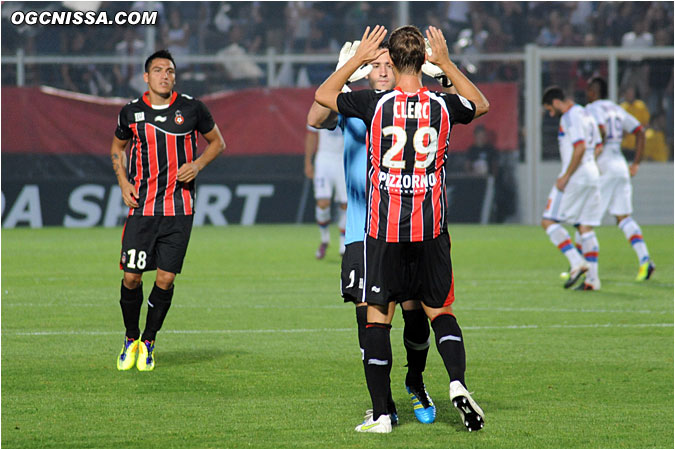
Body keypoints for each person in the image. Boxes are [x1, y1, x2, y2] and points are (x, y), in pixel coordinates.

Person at [315, 24, 489, 433]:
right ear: (425, 60)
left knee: (377, 318)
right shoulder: (443, 106)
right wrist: (446, 64)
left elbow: (323, 98)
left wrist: (356, 62)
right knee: (440, 311)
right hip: (430, 231)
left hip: (385, 230)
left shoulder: (375, 103)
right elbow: (480, 104)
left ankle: (381, 415)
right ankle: (457, 382)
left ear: (390, 61)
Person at [307, 40, 445, 427]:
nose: (382, 70)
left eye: (388, 64)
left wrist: (443, 71)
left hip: (409, 228)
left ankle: (415, 380)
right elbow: (316, 118)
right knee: (368, 322)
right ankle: (383, 405)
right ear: (367, 72)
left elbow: (460, 108)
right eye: (376, 65)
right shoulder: (355, 104)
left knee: (416, 316)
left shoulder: (417, 106)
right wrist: (345, 70)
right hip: (361, 233)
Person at [110, 50, 225, 371]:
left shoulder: (192, 108)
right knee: (131, 278)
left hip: (179, 209)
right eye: (158, 70)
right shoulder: (130, 113)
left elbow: (217, 142)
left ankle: (149, 341)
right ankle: (130, 337)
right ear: (145, 77)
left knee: (166, 278)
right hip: (143, 208)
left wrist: (198, 164)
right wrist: (122, 182)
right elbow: (117, 147)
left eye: (170, 71)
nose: (165, 75)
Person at [585, 77, 655, 280]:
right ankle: (645, 260)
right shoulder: (616, 109)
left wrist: (593, 157)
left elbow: (601, 131)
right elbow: (640, 131)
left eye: (589, 89)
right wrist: (636, 163)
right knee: (623, 218)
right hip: (621, 165)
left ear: (594, 91)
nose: (587, 93)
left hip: (605, 166)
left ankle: (583, 268)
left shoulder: (592, 108)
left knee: (585, 221)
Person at [541, 86, 602, 291]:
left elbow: (580, 146)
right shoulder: (587, 114)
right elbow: (598, 147)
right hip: (592, 173)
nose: (551, 113)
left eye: (550, 109)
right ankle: (593, 280)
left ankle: (576, 262)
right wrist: (588, 166)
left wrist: (567, 175)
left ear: (557, 102)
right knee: (584, 226)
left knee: (548, 221)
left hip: (576, 176)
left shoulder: (570, 117)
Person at [304, 124, 347, 259]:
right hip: (324, 158)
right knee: (323, 203)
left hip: (343, 158)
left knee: (345, 203)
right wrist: (308, 162)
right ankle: (325, 239)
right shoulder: (321, 106)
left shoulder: (349, 105)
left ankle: (343, 244)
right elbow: (311, 134)